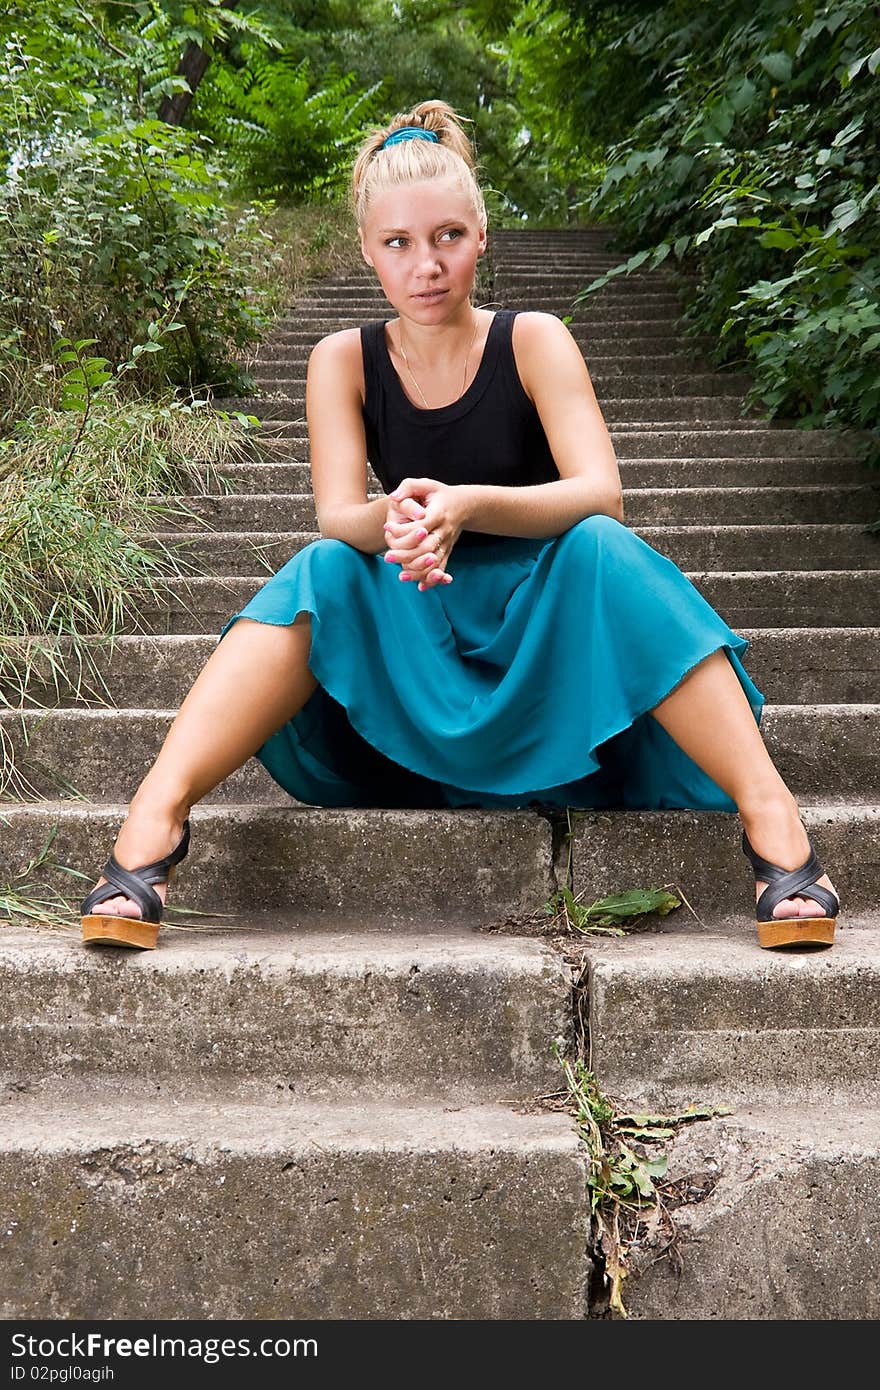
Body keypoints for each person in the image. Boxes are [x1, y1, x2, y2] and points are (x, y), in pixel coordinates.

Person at [80, 100, 840, 953]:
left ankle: (773, 820)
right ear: (368, 250)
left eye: (447, 236)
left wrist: (470, 504)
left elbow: (602, 492)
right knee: (322, 569)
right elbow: (339, 515)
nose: (426, 264)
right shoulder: (340, 359)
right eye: (399, 244)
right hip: (420, 628)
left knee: (603, 547)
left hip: (550, 639)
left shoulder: (535, 339)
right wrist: (402, 518)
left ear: (481, 233)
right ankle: (157, 818)